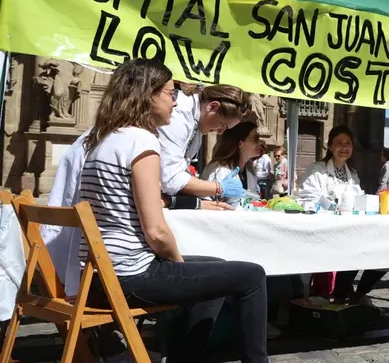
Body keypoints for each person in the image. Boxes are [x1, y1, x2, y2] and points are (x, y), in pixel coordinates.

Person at [79, 59, 269, 363]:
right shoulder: (142, 142)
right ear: (148, 95)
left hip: (98, 275)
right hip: (129, 276)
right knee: (253, 276)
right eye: (170, 93)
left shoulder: (105, 138)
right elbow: (156, 231)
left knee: (216, 265)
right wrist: (179, 266)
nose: (175, 101)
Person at [297, 126, 382, 308]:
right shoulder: (316, 170)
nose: (344, 147)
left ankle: (357, 294)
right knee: (351, 252)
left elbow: (358, 199)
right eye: (339, 143)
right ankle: (342, 297)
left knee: (381, 254)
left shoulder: (352, 173)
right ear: (329, 146)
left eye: (348, 143)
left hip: (348, 231)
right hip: (322, 232)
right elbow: (306, 198)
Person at [159, 82, 251, 201]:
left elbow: (181, 171)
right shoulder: (178, 115)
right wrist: (218, 187)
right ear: (212, 106)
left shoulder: (197, 122)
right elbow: (171, 179)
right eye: (222, 125)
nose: (220, 132)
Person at [201, 122, 261, 206]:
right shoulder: (220, 170)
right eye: (255, 138)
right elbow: (207, 203)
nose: (260, 143)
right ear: (240, 144)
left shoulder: (250, 170)